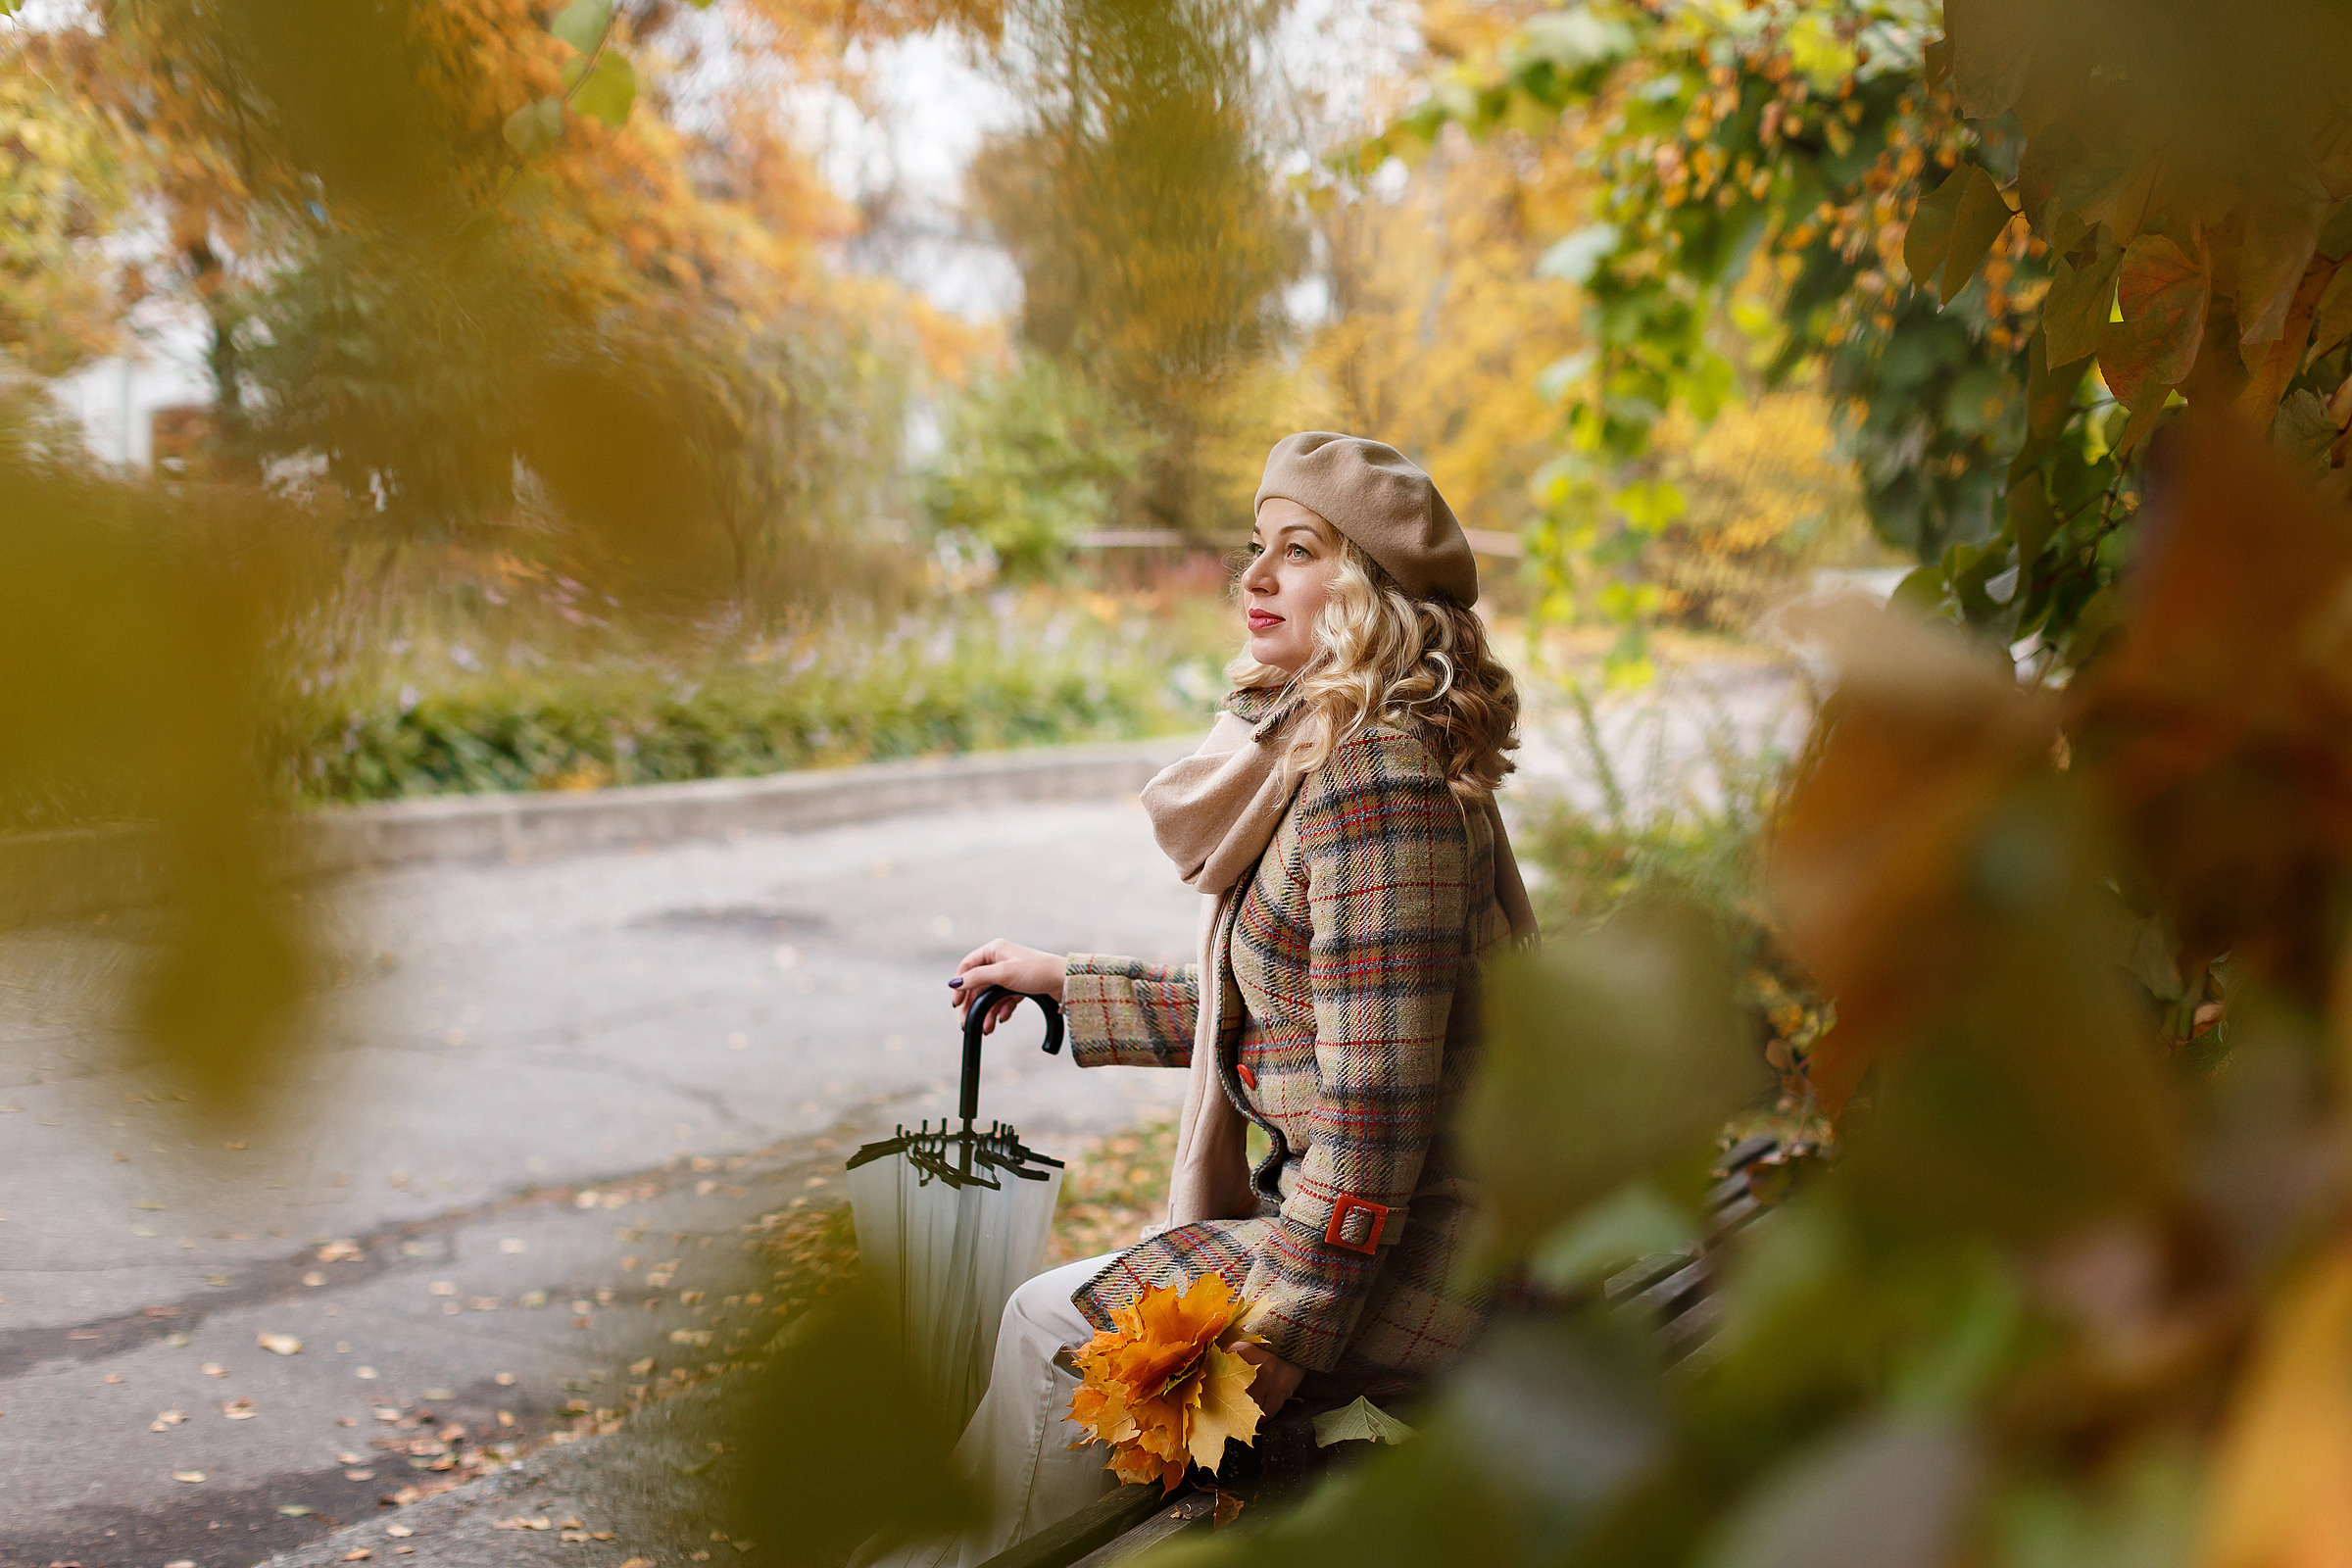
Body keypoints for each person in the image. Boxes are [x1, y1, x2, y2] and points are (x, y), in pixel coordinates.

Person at [872, 433, 1537, 1568]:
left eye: (1300, 551)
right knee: (1059, 1328)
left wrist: (1296, 1315)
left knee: (1047, 1328)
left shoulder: (1374, 781)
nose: (1256, 577)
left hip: (1424, 1261)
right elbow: (1287, 1012)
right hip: (1386, 1235)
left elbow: (1374, 1108)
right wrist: (1068, 989)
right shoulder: (1330, 752)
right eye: (1256, 549)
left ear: (1375, 594)